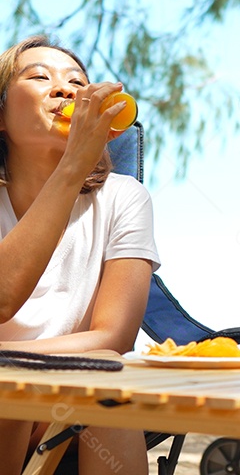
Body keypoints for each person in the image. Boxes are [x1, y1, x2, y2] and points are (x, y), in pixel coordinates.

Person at [0, 36, 159, 475]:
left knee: (108, 392)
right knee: (8, 396)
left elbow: (113, 339)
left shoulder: (125, 198)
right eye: (38, 77)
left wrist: (10, 360)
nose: (66, 89)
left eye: (77, 82)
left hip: (71, 394)